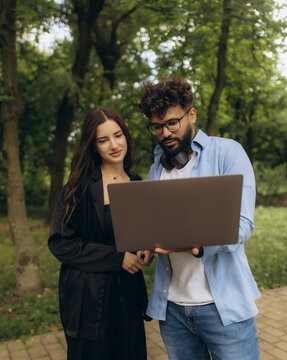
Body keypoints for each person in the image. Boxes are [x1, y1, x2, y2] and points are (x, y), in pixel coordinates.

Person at [138, 77, 260, 360]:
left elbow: (242, 226)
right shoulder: (155, 168)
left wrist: (192, 243)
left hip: (223, 308)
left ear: (191, 114)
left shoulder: (228, 153)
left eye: (171, 123)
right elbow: (156, 226)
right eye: (156, 127)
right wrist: (146, 243)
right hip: (172, 311)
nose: (164, 133)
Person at [48, 106, 151, 360]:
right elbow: (60, 242)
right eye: (103, 140)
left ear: (126, 135)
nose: (114, 145)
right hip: (90, 301)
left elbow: (142, 233)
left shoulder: (137, 183)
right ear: (93, 146)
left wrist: (146, 250)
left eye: (118, 135)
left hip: (128, 296)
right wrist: (118, 258)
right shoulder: (79, 187)